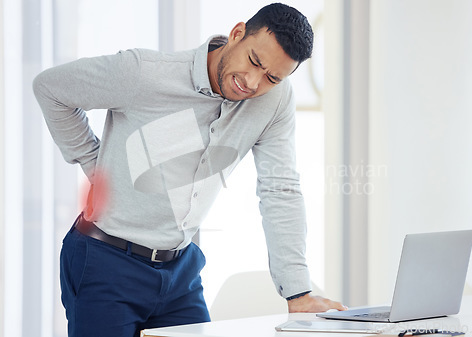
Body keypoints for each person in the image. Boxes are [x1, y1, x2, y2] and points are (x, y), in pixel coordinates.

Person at [33, 3, 346, 337]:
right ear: (237, 33)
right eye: (254, 61)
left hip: (180, 270)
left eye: (271, 77)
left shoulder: (275, 101)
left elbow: (280, 187)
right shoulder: (144, 72)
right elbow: (51, 88)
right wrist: (97, 166)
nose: (253, 83)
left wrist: (298, 292)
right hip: (106, 261)